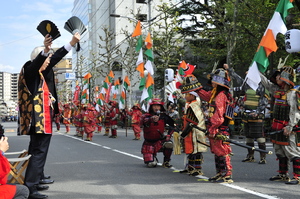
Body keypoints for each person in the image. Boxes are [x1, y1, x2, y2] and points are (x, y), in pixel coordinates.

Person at [18, 32, 80, 198]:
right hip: (38, 120)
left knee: (36, 151)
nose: (49, 62)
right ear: (38, 58)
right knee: (39, 152)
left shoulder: (41, 73)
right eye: (46, 59)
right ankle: (30, 189)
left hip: (42, 119)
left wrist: (71, 43)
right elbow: (40, 60)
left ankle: (35, 181)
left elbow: (54, 58)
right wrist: (45, 49)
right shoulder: (30, 70)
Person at [259, 66, 300, 184]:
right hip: (277, 126)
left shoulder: (293, 94)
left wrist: (290, 126)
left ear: (286, 78)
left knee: (292, 151)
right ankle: (283, 174)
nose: (277, 77)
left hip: (288, 127)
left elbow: (295, 112)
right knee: (280, 151)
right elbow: (266, 83)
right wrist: (257, 71)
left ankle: (297, 177)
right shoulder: (277, 90)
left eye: (279, 75)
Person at [193, 68, 234, 183]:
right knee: (216, 151)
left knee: (222, 150)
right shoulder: (216, 93)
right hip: (216, 127)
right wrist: (196, 88)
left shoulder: (221, 95)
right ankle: (220, 172)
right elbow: (206, 95)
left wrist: (213, 127)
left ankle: (227, 173)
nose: (211, 81)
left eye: (213, 79)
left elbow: (219, 114)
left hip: (219, 127)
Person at [225, 64, 269, 164]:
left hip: (257, 115)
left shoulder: (261, 86)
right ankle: (250, 156)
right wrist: (229, 70)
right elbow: (238, 79)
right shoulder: (247, 84)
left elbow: (264, 101)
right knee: (248, 136)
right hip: (247, 114)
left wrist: (257, 112)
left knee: (259, 136)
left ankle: (263, 157)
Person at [179, 76, 207, 176]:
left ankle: (197, 168)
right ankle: (190, 167)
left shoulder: (194, 105)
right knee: (190, 150)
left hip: (196, 131)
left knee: (196, 150)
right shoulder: (189, 104)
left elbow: (192, 122)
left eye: (188, 94)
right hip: (191, 131)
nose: (186, 96)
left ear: (193, 95)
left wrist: (184, 133)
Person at [141, 98, 175, 168]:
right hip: (148, 143)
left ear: (161, 107)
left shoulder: (164, 116)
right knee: (151, 164)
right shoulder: (145, 116)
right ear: (151, 107)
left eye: (158, 106)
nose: (156, 108)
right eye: (154, 106)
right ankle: (152, 157)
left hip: (160, 140)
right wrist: (151, 119)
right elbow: (144, 121)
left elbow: (173, 125)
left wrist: (169, 134)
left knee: (169, 144)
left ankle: (166, 161)